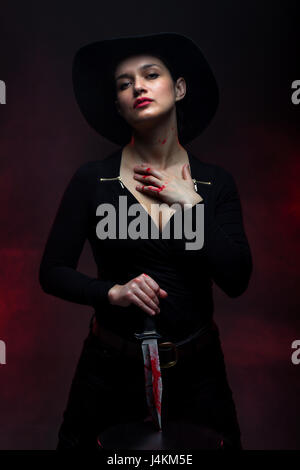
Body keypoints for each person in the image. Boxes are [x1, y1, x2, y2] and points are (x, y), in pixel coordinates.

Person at [39, 32, 253, 450]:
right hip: (108, 372)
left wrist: (191, 204)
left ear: (179, 88)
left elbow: (237, 279)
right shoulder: (92, 180)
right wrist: (110, 293)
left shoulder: (214, 182)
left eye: (150, 75)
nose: (137, 86)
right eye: (123, 83)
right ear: (118, 104)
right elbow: (51, 272)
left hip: (198, 375)